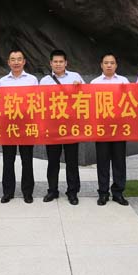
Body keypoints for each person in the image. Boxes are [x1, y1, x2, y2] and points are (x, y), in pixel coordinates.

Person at [39, 49, 84, 205]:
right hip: (52, 126)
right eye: (55, 62)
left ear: (66, 63)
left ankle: (72, 192)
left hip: (71, 126)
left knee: (72, 161)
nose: (58, 64)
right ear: (50, 63)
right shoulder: (45, 81)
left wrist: (80, 87)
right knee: (53, 161)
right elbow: (40, 102)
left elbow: (86, 98)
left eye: (61, 61)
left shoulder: (75, 77)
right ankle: (52, 190)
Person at [0, 48, 38, 203]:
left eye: (19, 59)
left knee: (27, 160)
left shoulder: (32, 80)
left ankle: (27, 192)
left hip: (26, 124)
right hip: (8, 125)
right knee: (8, 161)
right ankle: (8, 192)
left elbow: (37, 101)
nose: (16, 62)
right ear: (8, 62)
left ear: (24, 62)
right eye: (13, 59)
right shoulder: (3, 81)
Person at [91, 52, 129, 206]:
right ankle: (103, 193)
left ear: (116, 65)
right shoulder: (94, 83)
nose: (109, 65)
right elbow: (91, 105)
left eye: (112, 63)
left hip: (119, 127)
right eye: (106, 63)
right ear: (101, 65)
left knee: (119, 161)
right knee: (102, 161)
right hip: (102, 128)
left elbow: (130, 102)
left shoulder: (123, 81)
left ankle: (118, 193)